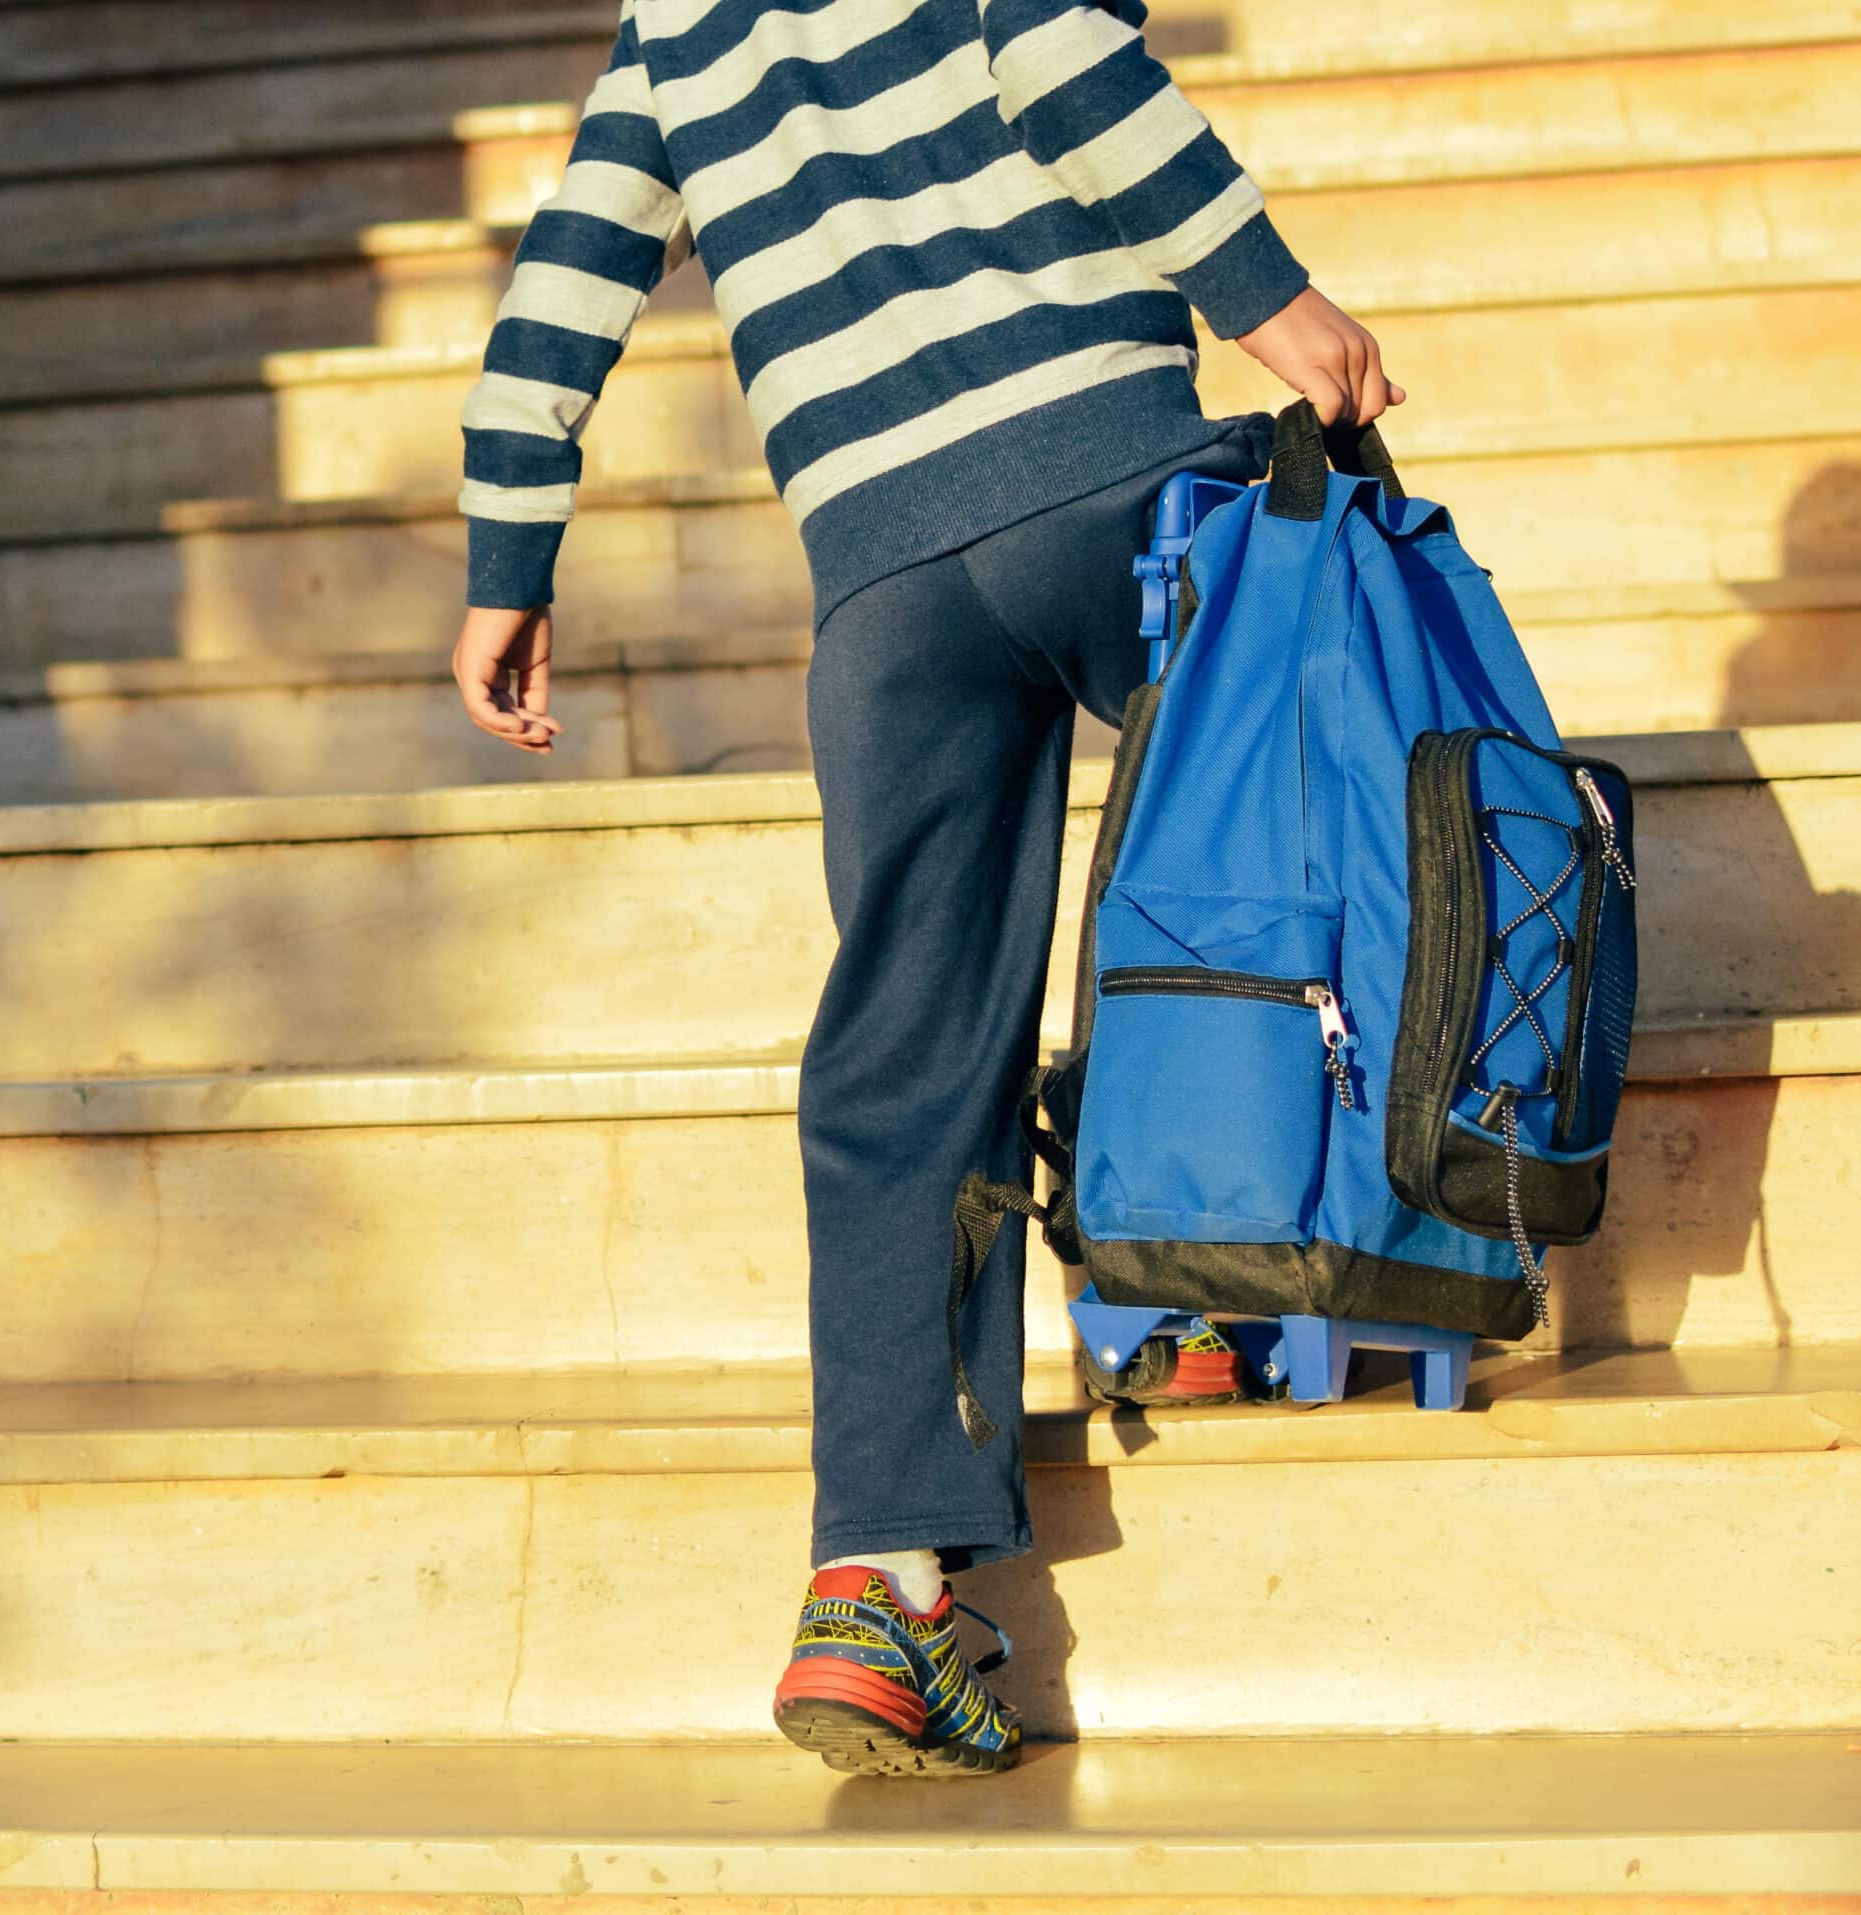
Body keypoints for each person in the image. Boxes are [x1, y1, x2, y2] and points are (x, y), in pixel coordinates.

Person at [449, 0, 1401, 1777]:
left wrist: (512, 560)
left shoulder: (668, 34)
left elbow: (560, 295)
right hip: (1110, 475)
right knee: (1258, 847)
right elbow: (1060, 52)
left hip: (881, 583)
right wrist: (1275, 304)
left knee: (904, 1044)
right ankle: (1187, 1276)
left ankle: (875, 1591)